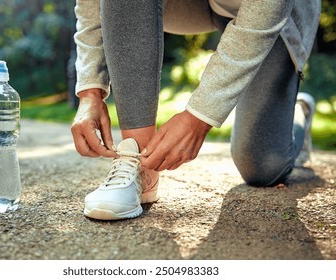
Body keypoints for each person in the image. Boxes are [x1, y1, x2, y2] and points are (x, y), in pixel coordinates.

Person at [71, 0, 321, 220]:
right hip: (196, 6)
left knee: (263, 168)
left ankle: (298, 111)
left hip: (273, 13)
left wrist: (199, 116)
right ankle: (140, 164)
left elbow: (267, 9)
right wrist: (90, 90)